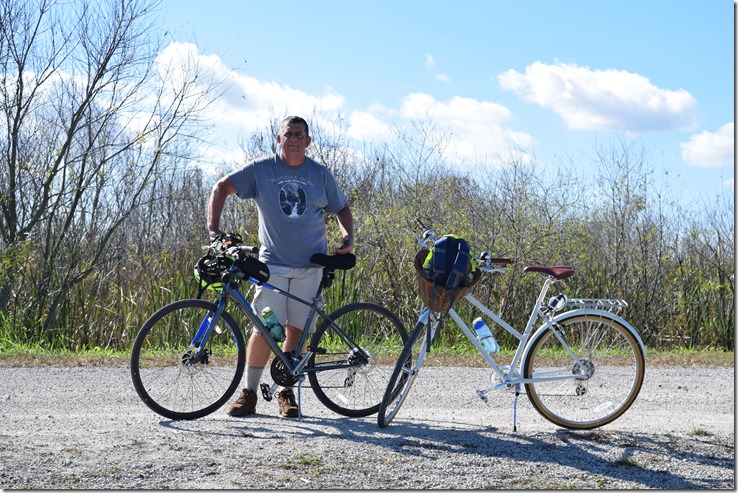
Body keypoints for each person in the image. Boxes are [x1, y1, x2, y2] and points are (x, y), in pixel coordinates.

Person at [207, 115, 354, 418]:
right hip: (272, 263)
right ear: (279, 139)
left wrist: (347, 236)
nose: (294, 139)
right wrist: (214, 231)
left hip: (311, 265)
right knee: (264, 329)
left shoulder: (320, 174)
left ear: (308, 141)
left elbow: (340, 207)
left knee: (296, 330)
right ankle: (248, 393)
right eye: (289, 134)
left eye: (300, 135)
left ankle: (285, 392)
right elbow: (221, 188)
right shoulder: (262, 170)